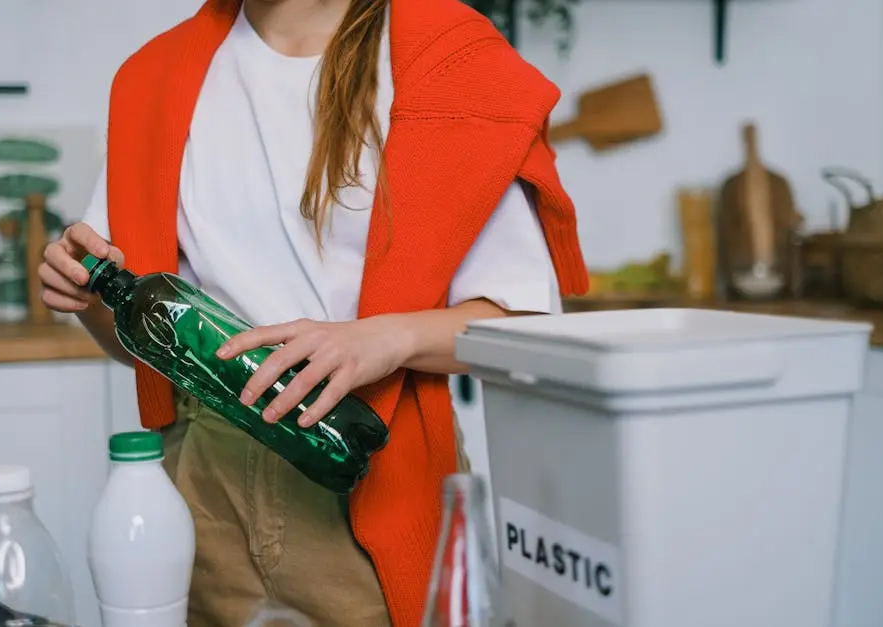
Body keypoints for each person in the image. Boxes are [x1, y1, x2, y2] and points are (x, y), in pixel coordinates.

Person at [40, 0, 587, 624]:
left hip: (367, 468)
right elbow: (142, 338)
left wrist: (385, 339)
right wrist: (86, 298)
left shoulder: (447, 60)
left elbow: (524, 326)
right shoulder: (155, 77)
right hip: (202, 480)